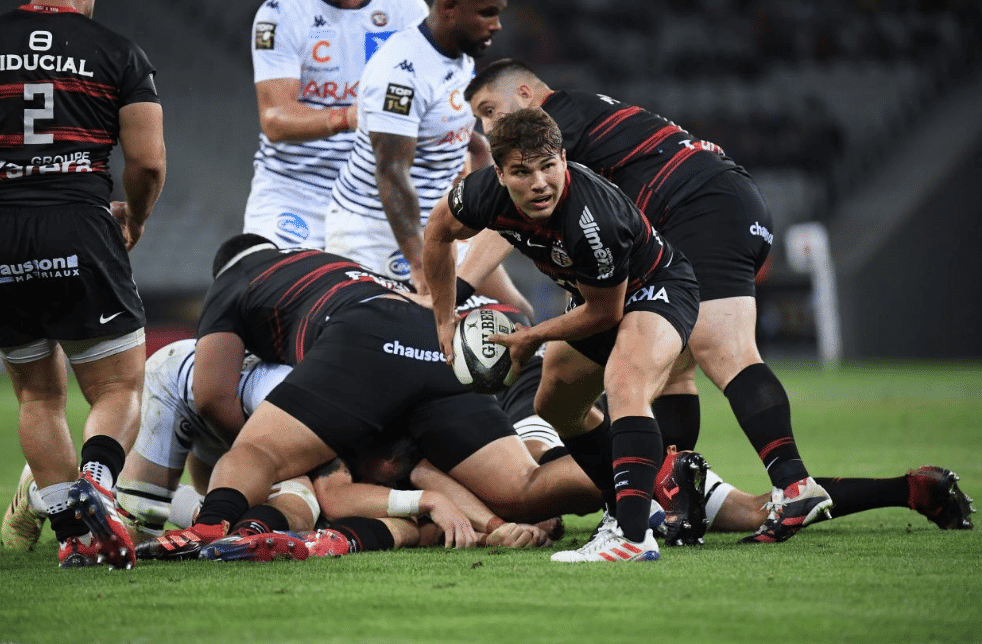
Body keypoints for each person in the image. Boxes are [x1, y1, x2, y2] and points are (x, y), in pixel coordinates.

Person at [460, 59, 833, 543]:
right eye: (479, 117)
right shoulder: (580, 121)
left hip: (700, 205)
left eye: (489, 110)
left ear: (528, 96)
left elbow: (510, 212)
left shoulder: (555, 119)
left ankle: (794, 485)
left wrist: (460, 288)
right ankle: (679, 500)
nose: (486, 127)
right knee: (670, 369)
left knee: (721, 351)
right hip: (721, 201)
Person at [136, 234, 601, 560]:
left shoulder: (234, 279)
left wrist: (296, 458)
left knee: (260, 451)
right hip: (431, 337)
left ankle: (207, 528)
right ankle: (640, 466)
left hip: (365, 336)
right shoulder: (330, 263)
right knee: (524, 487)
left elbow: (213, 394)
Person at [423, 107, 702, 562]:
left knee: (625, 382)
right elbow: (437, 232)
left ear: (564, 159)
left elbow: (605, 313)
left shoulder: (594, 221)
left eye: (549, 166)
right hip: (594, 296)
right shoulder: (481, 194)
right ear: (499, 173)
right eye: (522, 171)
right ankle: (631, 505)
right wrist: (442, 316)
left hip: (654, 287)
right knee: (554, 404)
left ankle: (632, 538)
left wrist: (531, 337)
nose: (539, 183)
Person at [0, 0, 166, 569]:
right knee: (118, 387)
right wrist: (135, 218)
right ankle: (96, 481)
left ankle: (73, 535)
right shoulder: (116, 51)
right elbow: (146, 163)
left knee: (37, 394)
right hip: (79, 223)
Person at [324, 0, 506, 290]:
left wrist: (480, 153)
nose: (496, 25)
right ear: (449, 8)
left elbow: (445, 125)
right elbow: (392, 172)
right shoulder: (401, 74)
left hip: (438, 225)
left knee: (518, 311)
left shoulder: (459, 53)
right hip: (379, 235)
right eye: (487, 13)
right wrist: (421, 265)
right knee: (417, 331)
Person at [243, 0, 429, 248]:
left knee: (409, 284)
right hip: (294, 192)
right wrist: (347, 118)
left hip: (376, 195)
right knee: (273, 281)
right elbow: (275, 118)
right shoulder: (279, 12)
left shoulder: (409, 10)